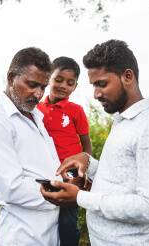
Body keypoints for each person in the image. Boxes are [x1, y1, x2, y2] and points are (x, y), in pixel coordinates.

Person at [41, 39, 149, 246]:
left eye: (102, 84)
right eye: (94, 85)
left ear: (127, 76)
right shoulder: (123, 123)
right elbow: (121, 179)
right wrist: (87, 163)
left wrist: (80, 198)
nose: (96, 94)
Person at [0, 47, 63, 246]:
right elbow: (12, 188)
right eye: (32, 85)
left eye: (43, 87)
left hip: (52, 232)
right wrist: (62, 194)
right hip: (23, 236)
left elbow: (45, 168)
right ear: (11, 77)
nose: (38, 94)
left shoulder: (37, 116)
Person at [36, 56, 92, 246]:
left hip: (70, 171)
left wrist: (82, 171)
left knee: (68, 219)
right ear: (48, 78)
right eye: (58, 79)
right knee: (46, 213)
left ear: (75, 87)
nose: (63, 86)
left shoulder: (76, 110)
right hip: (46, 168)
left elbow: (86, 144)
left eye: (70, 83)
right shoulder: (36, 109)